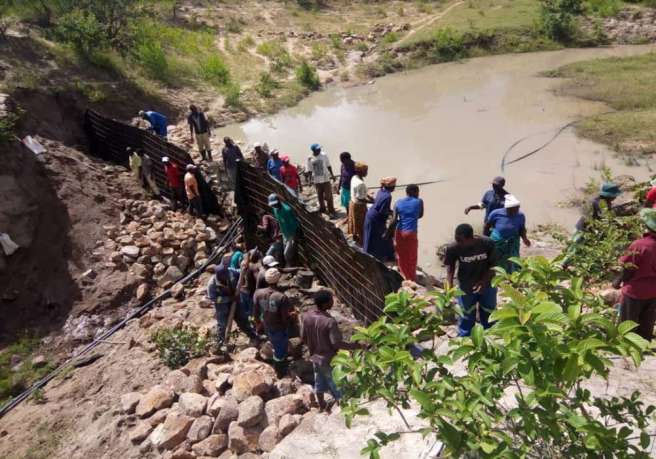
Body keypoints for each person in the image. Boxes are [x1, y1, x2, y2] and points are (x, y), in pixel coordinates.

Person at [301, 290, 361, 411]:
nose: (333, 302)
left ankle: (322, 406)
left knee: (319, 381)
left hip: (315, 357)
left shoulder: (307, 316)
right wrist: (357, 346)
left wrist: (314, 346)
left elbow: (303, 337)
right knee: (339, 387)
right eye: (331, 300)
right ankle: (344, 410)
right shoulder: (329, 321)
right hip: (329, 359)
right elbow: (336, 343)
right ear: (324, 304)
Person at [445, 224, 499, 337]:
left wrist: (483, 282)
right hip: (466, 285)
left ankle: (491, 336)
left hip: (487, 283)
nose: (458, 242)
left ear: (471, 238)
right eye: (456, 239)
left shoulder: (487, 243)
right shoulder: (453, 248)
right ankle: (465, 338)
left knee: (488, 311)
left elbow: (493, 265)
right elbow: (450, 266)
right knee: (466, 313)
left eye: (461, 240)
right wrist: (449, 284)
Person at [612, 208, 656, 341]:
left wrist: (617, 283)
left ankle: (625, 349)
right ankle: (644, 348)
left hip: (634, 291)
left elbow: (627, 267)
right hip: (653, 291)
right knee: (646, 326)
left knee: (626, 326)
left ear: (647, 227)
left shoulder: (639, 245)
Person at [207, 262, 258, 352]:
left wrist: (243, 269)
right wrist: (228, 299)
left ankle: (252, 335)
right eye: (225, 277)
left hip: (236, 300)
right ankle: (221, 343)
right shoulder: (212, 284)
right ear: (219, 276)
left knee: (242, 318)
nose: (227, 277)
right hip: (222, 305)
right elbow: (213, 298)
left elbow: (239, 272)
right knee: (222, 324)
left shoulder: (230, 271)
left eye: (227, 275)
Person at [253, 268, 292, 376]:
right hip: (279, 327)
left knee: (274, 343)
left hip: (266, 324)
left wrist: (258, 324)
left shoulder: (258, 293)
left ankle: (275, 358)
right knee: (280, 350)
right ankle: (279, 371)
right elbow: (285, 317)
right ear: (278, 279)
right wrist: (291, 317)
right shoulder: (281, 297)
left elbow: (255, 313)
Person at [484, 194, 530, 274]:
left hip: (513, 242)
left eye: (517, 208)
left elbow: (522, 228)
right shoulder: (495, 213)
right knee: (496, 258)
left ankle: (513, 275)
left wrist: (525, 239)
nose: (516, 210)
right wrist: (485, 239)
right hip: (498, 240)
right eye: (514, 209)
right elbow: (487, 226)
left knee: (513, 259)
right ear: (507, 208)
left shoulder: (520, 215)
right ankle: (498, 274)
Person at [388, 184, 424, 282]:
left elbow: (394, 220)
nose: (418, 194)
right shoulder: (419, 202)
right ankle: (412, 278)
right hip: (411, 232)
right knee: (412, 256)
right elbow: (420, 215)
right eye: (417, 192)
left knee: (401, 255)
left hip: (399, 231)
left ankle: (405, 276)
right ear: (413, 192)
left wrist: (387, 233)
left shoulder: (398, 202)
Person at [363, 177, 396, 262]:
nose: (394, 187)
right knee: (385, 236)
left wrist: (390, 211)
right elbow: (383, 211)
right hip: (376, 218)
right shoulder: (388, 196)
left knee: (370, 236)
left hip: (370, 215)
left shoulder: (381, 191)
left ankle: (369, 254)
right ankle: (386, 255)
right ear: (390, 187)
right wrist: (392, 214)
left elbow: (379, 204)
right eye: (394, 186)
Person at [269, 193, 300, 267]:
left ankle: (291, 269)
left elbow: (295, 225)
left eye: (275, 204)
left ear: (279, 201)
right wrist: (278, 232)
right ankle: (293, 267)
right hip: (284, 234)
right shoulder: (275, 209)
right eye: (272, 205)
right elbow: (278, 221)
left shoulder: (286, 210)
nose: (274, 206)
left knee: (286, 254)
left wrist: (293, 238)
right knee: (288, 253)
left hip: (291, 235)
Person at [307, 144, 336, 217]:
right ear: (313, 150)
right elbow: (310, 170)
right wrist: (310, 180)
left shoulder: (324, 155)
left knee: (328, 196)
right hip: (317, 180)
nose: (319, 150)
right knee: (319, 196)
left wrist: (332, 175)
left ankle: (331, 210)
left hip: (326, 179)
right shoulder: (310, 158)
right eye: (317, 149)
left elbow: (328, 165)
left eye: (319, 148)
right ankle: (322, 208)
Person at [348, 162, 371, 245]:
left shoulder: (354, 177)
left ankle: (355, 238)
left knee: (354, 222)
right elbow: (360, 198)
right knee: (361, 225)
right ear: (360, 171)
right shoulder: (361, 184)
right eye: (365, 171)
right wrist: (372, 201)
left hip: (352, 203)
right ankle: (362, 243)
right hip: (359, 206)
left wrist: (369, 196)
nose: (367, 172)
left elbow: (360, 193)